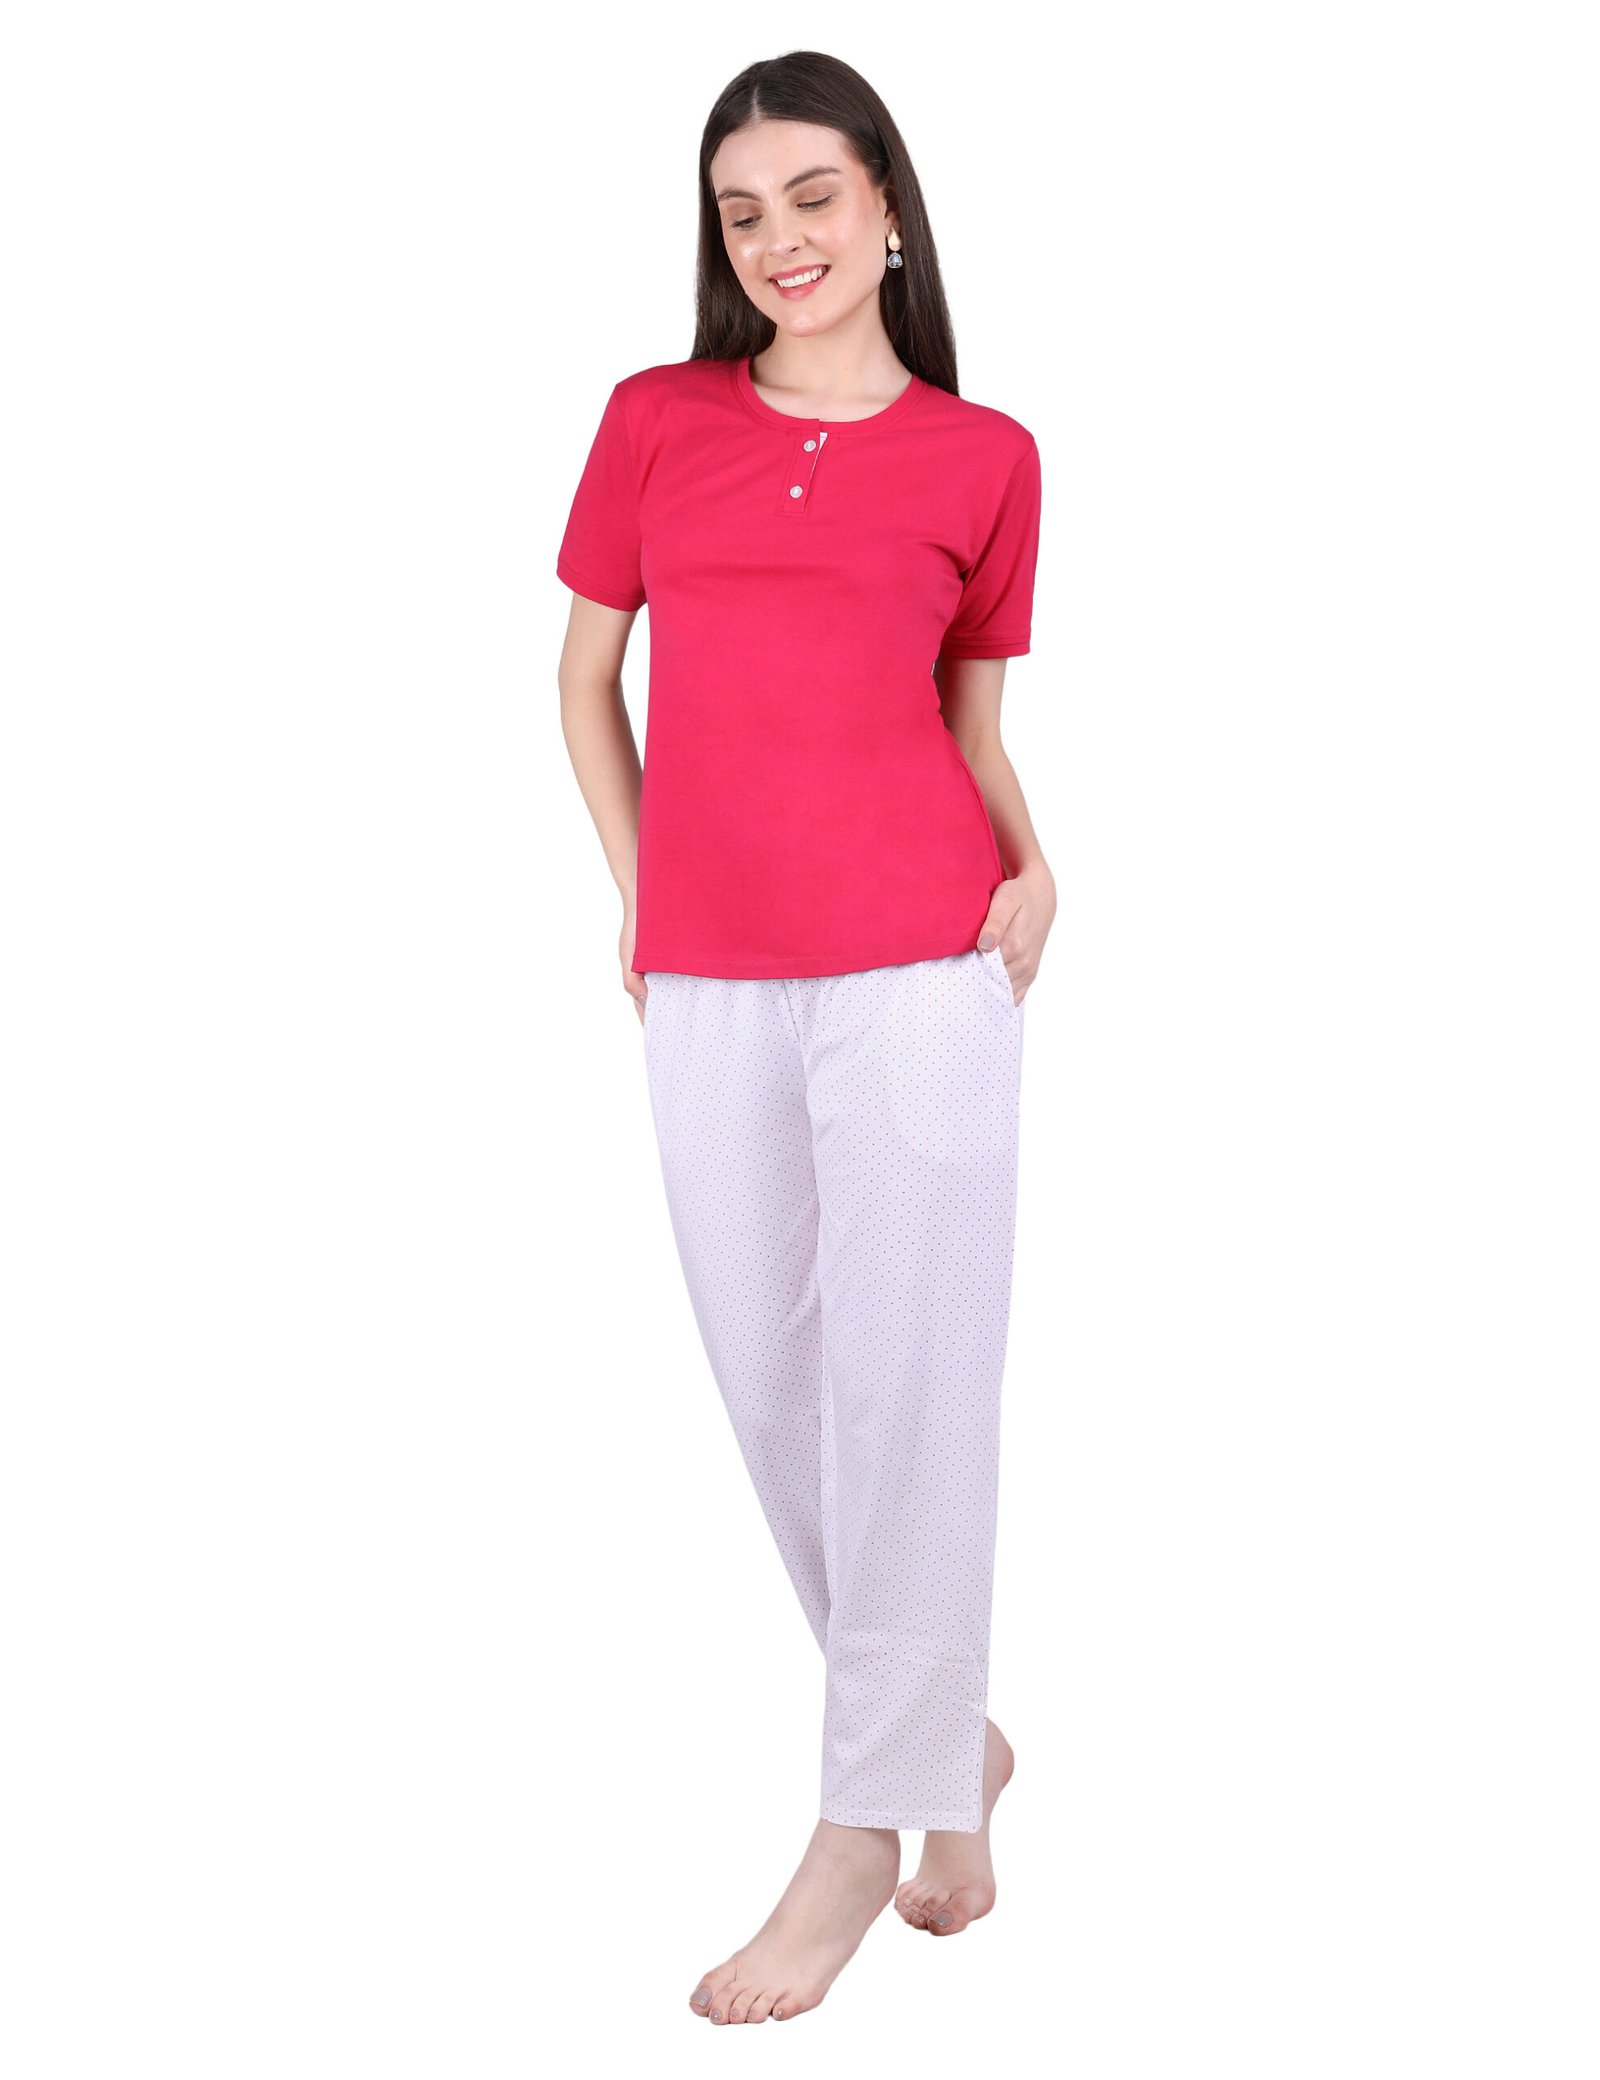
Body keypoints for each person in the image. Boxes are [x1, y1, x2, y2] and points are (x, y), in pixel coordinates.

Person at [555, 50, 1055, 2026]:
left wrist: (1038, 865)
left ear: (890, 210)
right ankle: (946, 1741)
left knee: (910, 1390)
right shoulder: (655, 419)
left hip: (926, 963)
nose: (779, 240)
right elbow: (583, 681)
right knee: (774, 1379)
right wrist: (640, 889)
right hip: (708, 967)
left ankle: (862, 1828)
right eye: (742, 212)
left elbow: (969, 726)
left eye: (813, 198)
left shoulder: (984, 454)